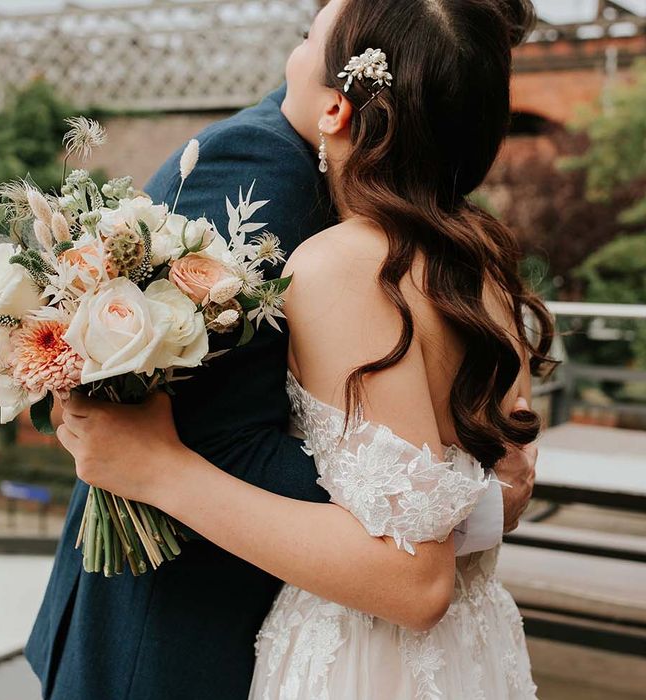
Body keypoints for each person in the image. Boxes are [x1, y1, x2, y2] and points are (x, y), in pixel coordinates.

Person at [28, 1, 546, 697]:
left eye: (308, 39)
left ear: (339, 107)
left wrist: (438, 507)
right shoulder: (479, 252)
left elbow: (214, 439)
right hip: (206, 624)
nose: (289, 59)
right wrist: (466, 501)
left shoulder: (323, 222)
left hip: (273, 630)